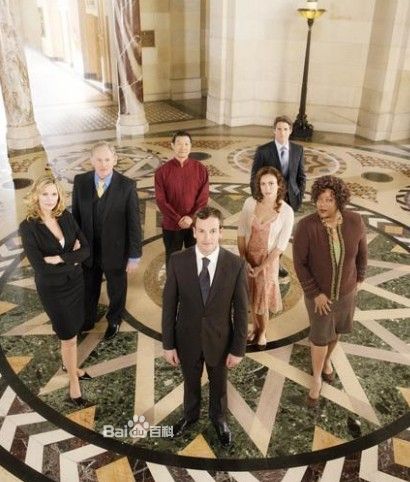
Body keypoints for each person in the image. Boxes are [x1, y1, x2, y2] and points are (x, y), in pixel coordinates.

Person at [162, 207, 248, 446]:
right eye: (201, 231)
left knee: (219, 383)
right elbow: (169, 306)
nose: (207, 237)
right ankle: (189, 415)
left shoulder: (235, 265)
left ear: (221, 232)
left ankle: (219, 418)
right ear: (193, 232)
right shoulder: (178, 261)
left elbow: (242, 311)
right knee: (190, 381)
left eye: (212, 231)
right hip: (186, 338)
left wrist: (238, 349)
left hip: (220, 340)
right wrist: (168, 344)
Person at [293, 175, 367, 406]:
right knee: (319, 338)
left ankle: (326, 362)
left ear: (339, 201)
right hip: (319, 297)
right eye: (319, 199)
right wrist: (315, 293)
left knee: (336, 332)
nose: (322, 204)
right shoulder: (306, 226)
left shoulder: (355, 221)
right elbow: (299, 264)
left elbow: (362, 253)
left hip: (346, 293)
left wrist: (359, 278)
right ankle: (316, 378)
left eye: (329, 199)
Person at [20, 175, 91, 406]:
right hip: (53, 290)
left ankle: (68, 364)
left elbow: (86, 250)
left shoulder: (66, 216)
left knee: (74, 329)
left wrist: (60, 258)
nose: (50, 199)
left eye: (54, 194)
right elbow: (40, 267)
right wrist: (73, 258)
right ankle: (74, 383)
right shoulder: (28, 227)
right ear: (36, 196)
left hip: (75, 283)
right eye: (45, 194)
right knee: (68, 336)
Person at [72, 141, 142, 340]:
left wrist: (134, 256)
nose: (103, 164)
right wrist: (74, 245)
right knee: (88, 286)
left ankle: (114, 319)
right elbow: (75, 216)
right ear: (91, 160)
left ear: (115, 160)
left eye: (107, 159)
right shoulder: (80, 181)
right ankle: (87, 319)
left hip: (116, 250)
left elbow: (134, 224)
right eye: (99, 160)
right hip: (88, 249)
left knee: (116, 288)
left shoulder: (127, 186)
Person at [238, 167, 294, 349]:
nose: (267, 188)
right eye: (263, 184)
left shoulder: (287, 212)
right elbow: (241, 233)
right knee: (251, 295)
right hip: (248, 256)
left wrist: (261, 268)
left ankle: (262, 332)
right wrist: (243, 259)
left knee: (262, 298)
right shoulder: (250, 203)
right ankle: (255, 328)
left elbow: (280, 247)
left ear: (279, 185)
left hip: (268, 261)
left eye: (271, 183)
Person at [251, 115, 306, 277]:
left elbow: (301, 176)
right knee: (269, 234)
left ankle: (276, 262)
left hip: (290, 199)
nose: (282, 132)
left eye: (285, 129)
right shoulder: (263, 151)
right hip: (269, 199)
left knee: (283, 235)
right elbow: (254, 177)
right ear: (274, 131)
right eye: (279, 129)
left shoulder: (298, 150)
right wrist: (258, 198)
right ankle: (261, 260)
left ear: (290, 131)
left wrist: (299, 195)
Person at [155, 130, 209, 267]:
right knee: (172, 259)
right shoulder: (162, 172)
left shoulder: (201, 169)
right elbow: (161, 200)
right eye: (179, 143)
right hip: (171, 225)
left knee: (196, 258)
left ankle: (193, 281)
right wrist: (178, 219)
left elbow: (203, 198)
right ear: (172, 145)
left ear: (191, 146)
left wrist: (191, 217)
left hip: (195, 224)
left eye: (186, 144)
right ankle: (173, 281)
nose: (183, 147)